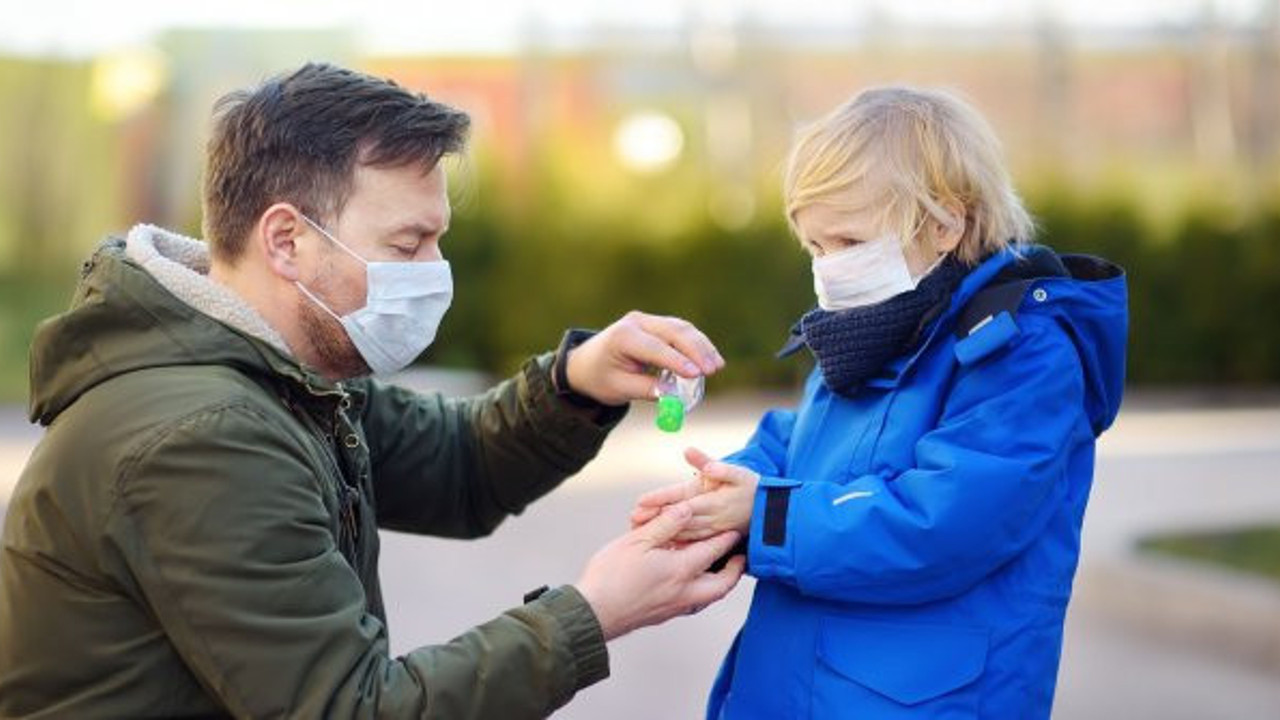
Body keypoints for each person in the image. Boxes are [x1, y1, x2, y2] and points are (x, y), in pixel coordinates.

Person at [0, 62, 746, 719]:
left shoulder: (281, 372)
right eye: (407, 245)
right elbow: (351, 709)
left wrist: (576, 382)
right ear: (286, 241)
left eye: (438, 239)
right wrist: (592, 613)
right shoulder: (204, 436)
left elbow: (458, 469)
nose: (434, 271)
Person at [632, 86, 1128, 718]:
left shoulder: (1022, 356)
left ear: (946, 223)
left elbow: (946, 523)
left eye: (847, 242)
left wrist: (763, 515)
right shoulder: (872, 327)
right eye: (814, 248)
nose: (827, 268)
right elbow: (804, 440)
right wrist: (724, 489)